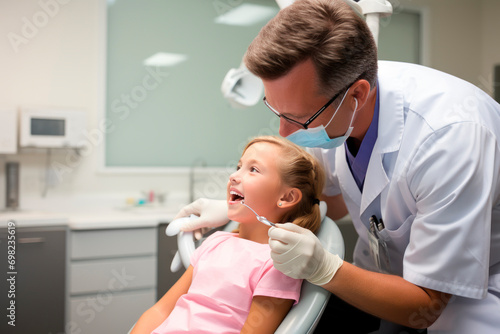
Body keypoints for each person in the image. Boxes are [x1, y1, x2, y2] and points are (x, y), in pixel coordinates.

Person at [173, 0, 500, 333]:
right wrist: (240, 211)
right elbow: (333, 201)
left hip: (469, 298)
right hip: (385, 281)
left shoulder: (449, 136)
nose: (286, 133)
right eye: (277, 112)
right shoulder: (332, 108)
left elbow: (427, 304)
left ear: (356, 95)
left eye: (299, 118)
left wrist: (325, 268)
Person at [131, 136, 326, 334]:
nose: (234, 176)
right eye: (239, 166)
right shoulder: (215, 242)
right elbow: (160, 311)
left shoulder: (278, 263)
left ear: (287, 197)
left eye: (253, 169)